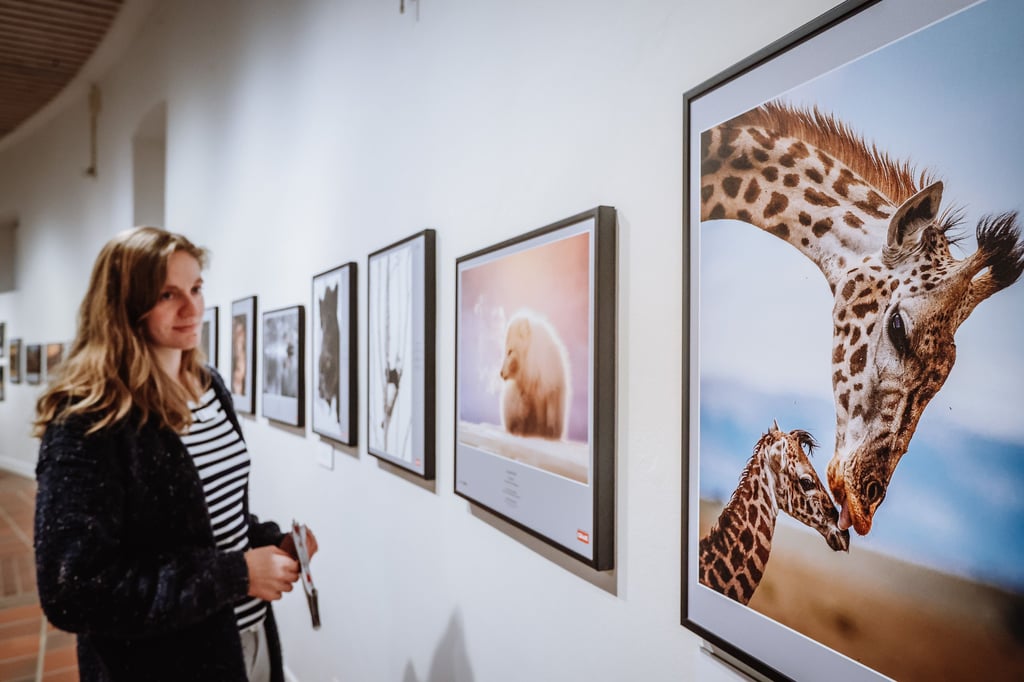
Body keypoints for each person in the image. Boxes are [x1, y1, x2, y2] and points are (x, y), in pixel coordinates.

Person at [33, 226, 317, 682]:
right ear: (123, 304)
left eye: (196, 288)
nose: (192, 308)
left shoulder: (209, 387)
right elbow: (74, 590)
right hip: (160, 664)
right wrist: (236, 574)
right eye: (168, 295)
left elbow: (206, 519)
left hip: (247, 640)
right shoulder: (87, 420)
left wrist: (269, 542)